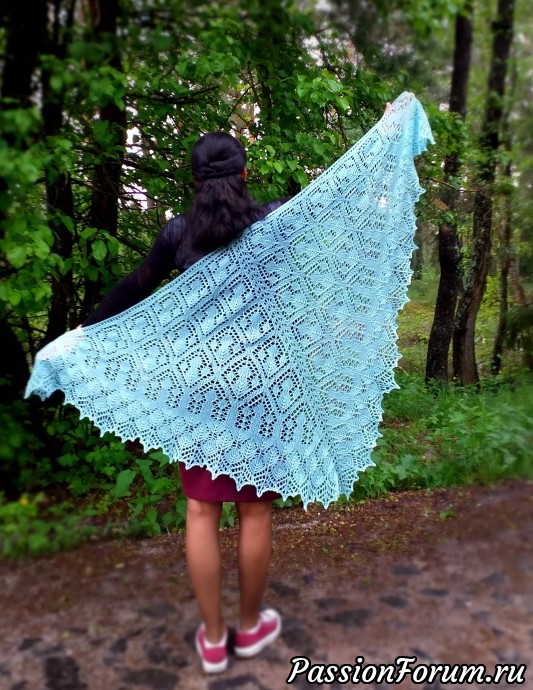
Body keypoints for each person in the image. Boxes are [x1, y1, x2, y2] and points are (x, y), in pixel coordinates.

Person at [82, 132, 285, 674]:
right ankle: (249, 628)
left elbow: (132, 288)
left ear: (194, 181)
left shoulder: (177, 233)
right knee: (255, 510)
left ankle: (214, 641)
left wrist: (81, 332)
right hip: (259, 384)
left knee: (200, 510)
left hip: (198, 387)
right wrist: (390, 128)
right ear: (244, 174)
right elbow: (337, 199)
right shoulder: (275, 220)